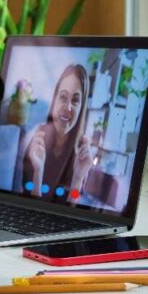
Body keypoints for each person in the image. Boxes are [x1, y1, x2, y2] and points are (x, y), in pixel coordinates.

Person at [22, 64, 96, 202]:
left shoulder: (81, 154)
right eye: (63, 97)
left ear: (81, 108)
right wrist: (38, 171)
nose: (68, 107)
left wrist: (78, 179)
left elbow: (73, 204)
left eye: (75, 100)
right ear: (55, 99)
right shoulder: (35, 140)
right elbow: (27, 205)